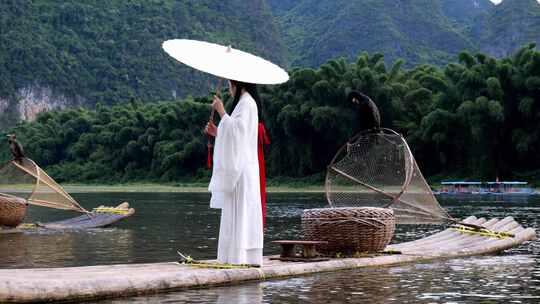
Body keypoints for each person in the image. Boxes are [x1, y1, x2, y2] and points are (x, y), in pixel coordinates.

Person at [204, 80, 264, 266]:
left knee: (239, 211)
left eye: (230, 85)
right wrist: (217, 133)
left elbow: (238, 133)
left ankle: (238, 257)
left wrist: (221, 112)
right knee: (239, 211)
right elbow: (237, 135)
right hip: (244, 167)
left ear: (238, 85)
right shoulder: (246, 103)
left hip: (241, 170)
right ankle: (237, 257)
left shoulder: (246, 103)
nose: (229, 89)